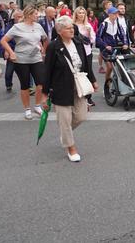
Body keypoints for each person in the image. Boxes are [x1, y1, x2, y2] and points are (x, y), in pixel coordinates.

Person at [43, 16, 98, 162]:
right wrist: (44, 94)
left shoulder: (78, 42)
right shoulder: (53, 46)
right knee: (65, 120)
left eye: (72, 27)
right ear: (60, 31)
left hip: (79, 84)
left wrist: (93, 80)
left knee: (81, 116)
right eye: (68, 28)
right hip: (60, 87)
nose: (72, 30)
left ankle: (65, 135)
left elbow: (86, 63)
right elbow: (47, 71)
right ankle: (71, 148)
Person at [0, 5, 48, 120]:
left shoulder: (38, 26)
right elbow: (3, 41)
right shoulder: (17, 27)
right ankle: (27, 109)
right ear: (29, 15)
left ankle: (37, 106)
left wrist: (43, 51)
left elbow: (45, 39)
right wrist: (11, 52)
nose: (38, 16)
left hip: (36, 58)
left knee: (40, 84)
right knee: (25, 85)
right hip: (21, 60)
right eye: (36, 14)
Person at [96, 6, 130, 82]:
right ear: (109, 14)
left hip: (114, 47)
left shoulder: (117, 23)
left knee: (118, 66)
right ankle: (107, 83)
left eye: (116, 13)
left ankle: (116, 82)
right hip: (105, 49)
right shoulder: (104, 24)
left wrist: (125, 43)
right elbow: (98, 37)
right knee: (110, 67)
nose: (116, 15)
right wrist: (105, 45)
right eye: (114, 13)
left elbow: (123, 34)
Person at [3, 10, 23, 92]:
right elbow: (4, 39)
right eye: (18, 17)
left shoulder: (24, 25)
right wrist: (6, 50)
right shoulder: (10, 26)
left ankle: (27, 86)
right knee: (9, 71)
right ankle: (8, 85)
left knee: (24, 71)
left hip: (22, 51)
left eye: (21, 16)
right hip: (12, 50)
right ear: (14, 17)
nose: (20, 18)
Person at [97, 0, 113, 73]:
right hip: (103, 36)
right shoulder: (102, 15)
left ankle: (108, 66)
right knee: (101, 51)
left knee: (107, 51)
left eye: (111, 4)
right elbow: (100, 27)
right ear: (105, 6)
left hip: (109, 36)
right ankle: (100, 66)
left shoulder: (111, 14)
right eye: (110, 4)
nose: (111, 6)